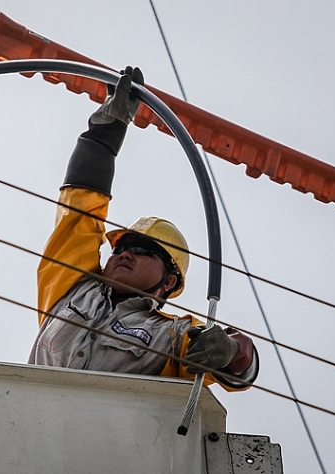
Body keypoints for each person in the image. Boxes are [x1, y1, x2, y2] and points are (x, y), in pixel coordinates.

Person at [28, 67, 259, 390]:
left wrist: (233, 349)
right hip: (27, 428)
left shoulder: (173, 336)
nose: (125, 254)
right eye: (121, 247)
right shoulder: (70, 289)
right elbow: (78, 209)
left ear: (170, 280)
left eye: (142, 250)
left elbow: (237, 365)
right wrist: (104, 135)